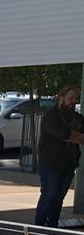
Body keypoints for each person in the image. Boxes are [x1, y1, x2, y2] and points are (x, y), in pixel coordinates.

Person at [34, 85, 84, 227]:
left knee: (59, 197)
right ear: (61, 97)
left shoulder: (77, 118)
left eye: (75, 99)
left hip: (69, 163)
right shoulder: (51, 116)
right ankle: (39, 226)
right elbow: (64, 134)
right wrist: (76, 135)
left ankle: (53, 225)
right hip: (50, 162)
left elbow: (73, 135)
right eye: (70, 98)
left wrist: (74, 135)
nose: (73, 101)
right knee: (49, 195)